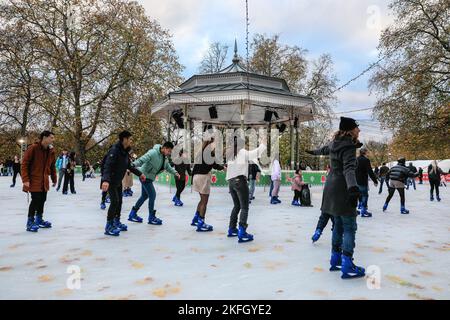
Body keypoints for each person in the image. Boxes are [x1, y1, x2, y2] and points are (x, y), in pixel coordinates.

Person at [307, 117, 365, 279]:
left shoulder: (334, 144)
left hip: (330, 188)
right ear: (350, 130)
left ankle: (335, 259)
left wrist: (312, 151)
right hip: (343, 188)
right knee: (349, 227)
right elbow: (348, 169)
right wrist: (353, 189)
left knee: (338, 225)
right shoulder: (348, 147)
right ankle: (347, 263)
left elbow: (322, 150)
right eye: (357, 128)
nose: (359, 130)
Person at [101, 131, 145, 236]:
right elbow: (108, 165)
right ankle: (109, 225)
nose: (131, 141)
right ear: (124, 139)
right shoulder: (115, 150)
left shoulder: (124, 152)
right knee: (114, 202)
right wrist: (106, 180)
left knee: (119, 201)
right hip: (111, 180)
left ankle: (116, 221)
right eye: (130, 139)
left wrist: (140, 174)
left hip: (118, 180)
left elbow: (129, 166)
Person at [225, 136, 266, 243]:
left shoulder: (231, 155)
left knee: (236, 206)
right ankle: (242, 232)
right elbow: (255, 153)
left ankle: (232, 228)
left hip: (231, 182)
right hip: (240, 181)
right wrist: (263, 144)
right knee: (244, 207)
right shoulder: (242, 152)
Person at [128, 142, 180, 225]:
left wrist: (175, 172)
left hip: (149, 178)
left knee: (144, 196)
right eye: (169, 151)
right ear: (164, 148)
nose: (169, 153)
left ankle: (133, 213)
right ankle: (151, 217)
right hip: (144, 176)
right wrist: (132, 165)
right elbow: (142, 160)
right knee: (152, 195)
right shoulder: (153, 152)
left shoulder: (164, 158)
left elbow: (168, 167)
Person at [21, 131, 57, 233]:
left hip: (44, 181)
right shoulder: (33, 148)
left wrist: (54, 179)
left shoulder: (51, 150)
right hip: (33, 180)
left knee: (43, 200)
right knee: (35, 200)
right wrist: (25, 179)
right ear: (44, 138)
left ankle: (39, 219)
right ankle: (30, 222)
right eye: (51, 137)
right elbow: (24, 164)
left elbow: (52, 166)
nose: (52, 140)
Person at [190, 138, 225, 232]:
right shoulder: (209, 153)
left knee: (201, 200)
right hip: (203, 177)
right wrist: (223, 168)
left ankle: (196, 219)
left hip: (196, 177)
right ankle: (201, 222)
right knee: (204, 201)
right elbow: (215, 165)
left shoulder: (201, 153)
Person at [355, 148, 378, 218]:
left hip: (354, 180)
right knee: (364, 195)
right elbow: (370, 171)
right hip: (362, 181)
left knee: (355, 195)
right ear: (365, 153)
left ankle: (354, 210)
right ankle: (363, 211)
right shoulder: (366, 160)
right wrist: (375, 181)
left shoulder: (355, 159)